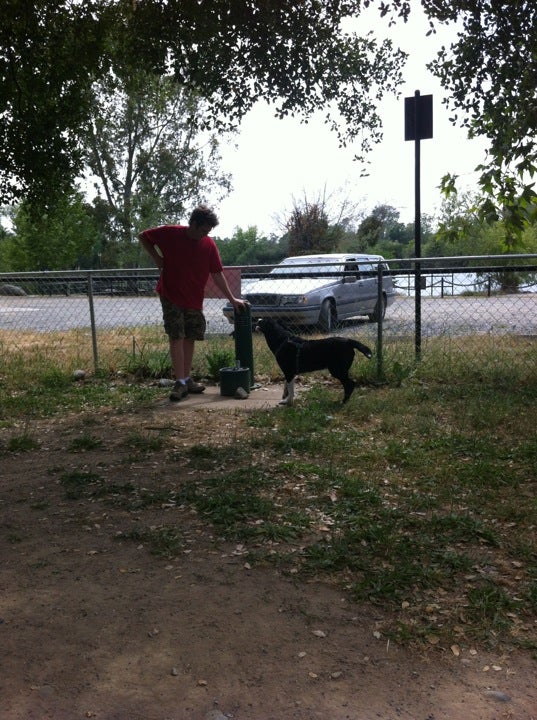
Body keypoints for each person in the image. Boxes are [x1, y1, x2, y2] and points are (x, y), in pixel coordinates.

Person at [139, 205, 247, 401]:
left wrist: (232, 299)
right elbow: (143, 236)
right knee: (176, 336)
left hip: (194, 298)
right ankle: (179, 383)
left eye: (209, 231)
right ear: (194, 224)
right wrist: (157, 258)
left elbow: (217, 274)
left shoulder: (209, 245)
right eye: (204, 230)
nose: (206, 234)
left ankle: (187, 379)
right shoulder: (170, 233)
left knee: (190, 336)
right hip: (171, 294)